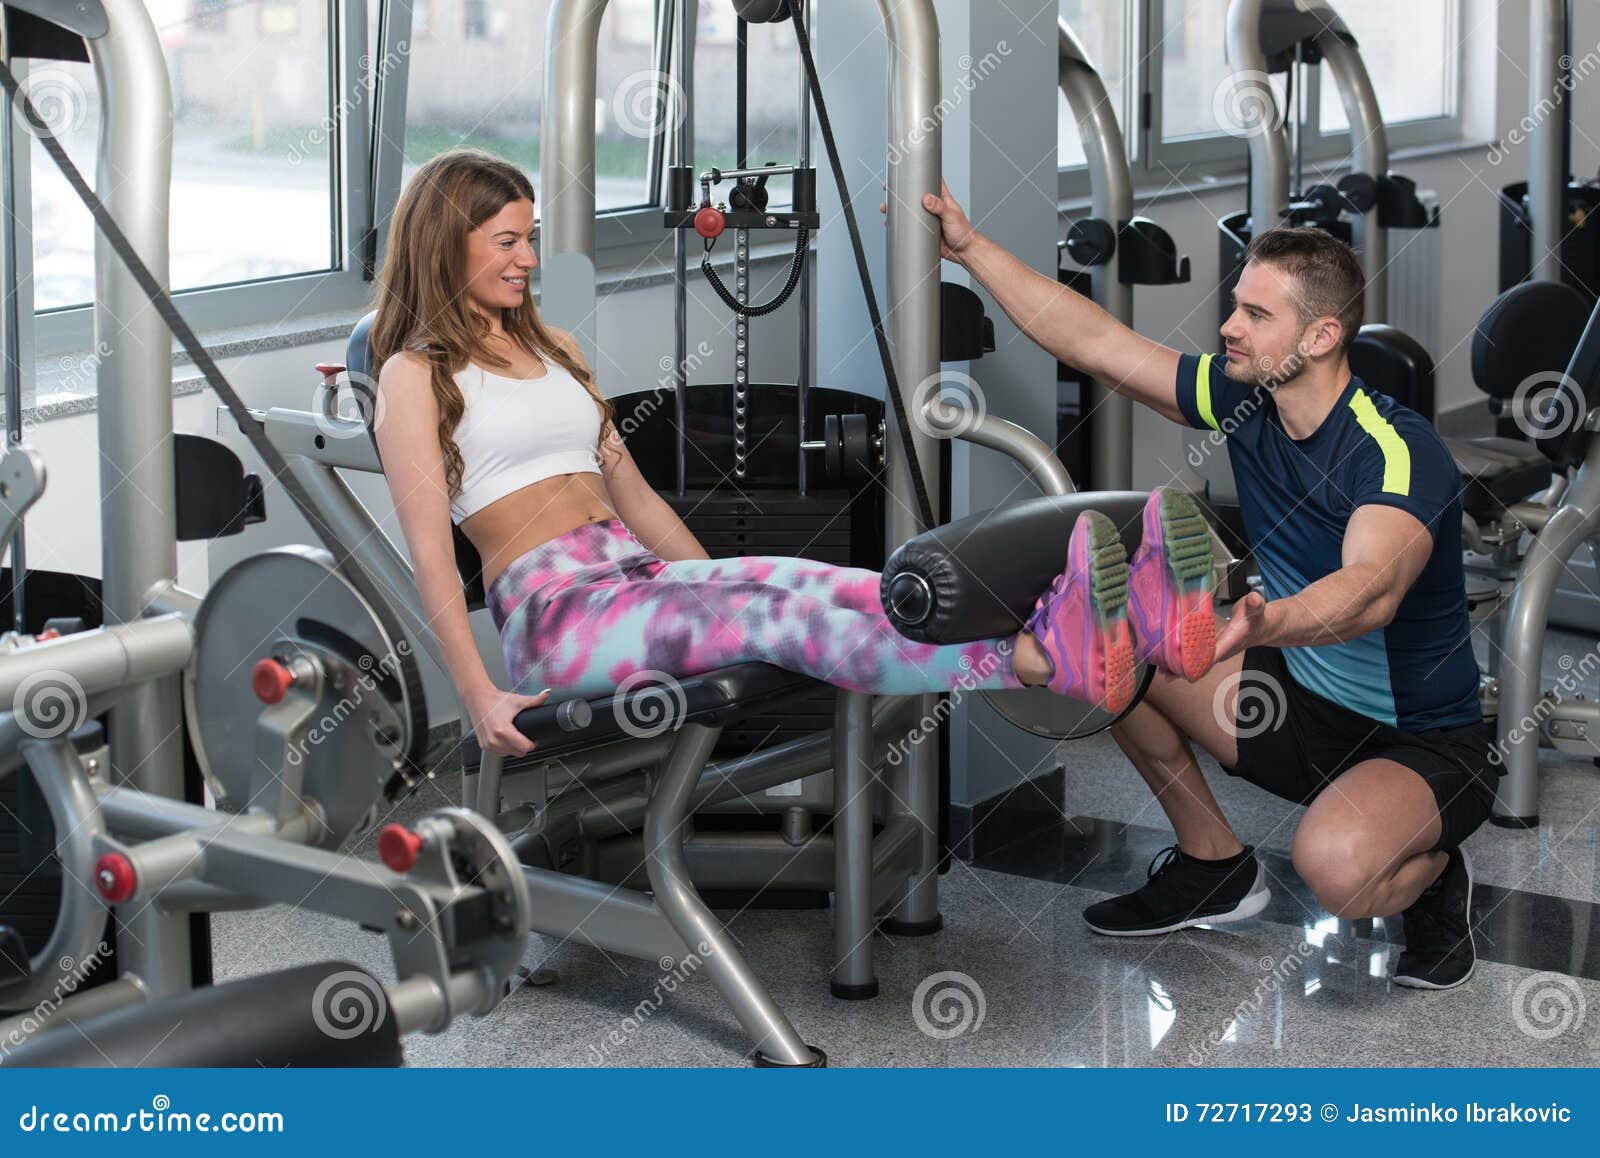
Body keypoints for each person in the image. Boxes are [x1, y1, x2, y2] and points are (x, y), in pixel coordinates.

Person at [369, 150, 1216, 799]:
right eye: (507, 242)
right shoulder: (416, 375)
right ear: (449, 246)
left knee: (817, 582)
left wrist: (708, 579)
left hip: (634, 576)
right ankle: (1038, 657)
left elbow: (634, 496)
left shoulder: (556, 351)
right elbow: (432, 557)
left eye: (532, 239)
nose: (527, 259)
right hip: (556, 618)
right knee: (773, 614)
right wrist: (475, 695)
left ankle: (1123, 618)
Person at [918, 183, 1489, 990]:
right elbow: (1096, 343)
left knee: (1337, 870)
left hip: (1419, 742)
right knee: (1109, 650)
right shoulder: (1245, 399)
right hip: (1293, 705)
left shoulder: (1394, 451)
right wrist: (971, 250)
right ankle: (1212, 864)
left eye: (1256, 315)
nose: (1229, 326)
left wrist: (1261, 624)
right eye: (1236, 307)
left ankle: (1431, 877)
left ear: (1322, 335)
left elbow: (1371, 591)